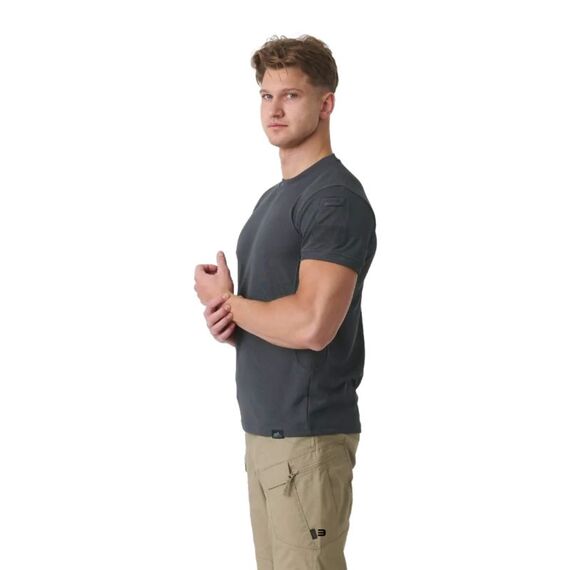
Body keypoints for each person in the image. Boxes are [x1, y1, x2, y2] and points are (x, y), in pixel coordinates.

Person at [194, 34, 377, 570]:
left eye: (291, 95)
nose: (274, 109)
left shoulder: (333, 198)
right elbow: (274, 319)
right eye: (265, 95)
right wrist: (228, 319)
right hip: (266, 434)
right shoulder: (273, 200)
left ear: (326, 103)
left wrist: (231, 301)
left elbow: (312, 324)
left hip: (307, 439)